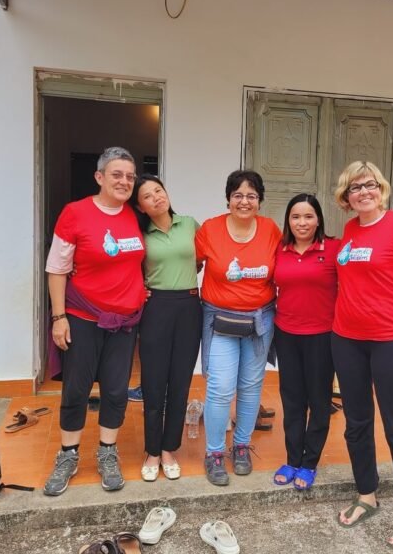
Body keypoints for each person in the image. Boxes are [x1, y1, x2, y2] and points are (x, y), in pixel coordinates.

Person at [331, 161, 393, 550]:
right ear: (346, 197)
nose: (363, 192)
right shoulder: (350, 230)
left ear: (382, 188)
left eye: (369, 185)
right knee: (356, 423)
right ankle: (367, 495)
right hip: (347, 340)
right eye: (354, 188)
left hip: (392, 341)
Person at [44, 147, 145, 496]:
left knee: (116, 390)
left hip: (124, 322)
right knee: (77, 388)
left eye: (130, 176)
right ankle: (68, 455)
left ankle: (107, 452)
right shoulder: (75, 213)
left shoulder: (135, 215)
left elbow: (137, 261)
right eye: (117, 174)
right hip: (83, 317)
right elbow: (57, 269)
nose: (124, 181)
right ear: (99, 177)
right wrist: (59, 317)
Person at [195, 170, 282, 486]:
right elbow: (191, 264)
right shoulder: (210, 229)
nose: (244, 201)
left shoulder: (271, 230)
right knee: (220, 387)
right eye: (238, 195)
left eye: (251, 196)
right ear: (228, 199)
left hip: (260, 319)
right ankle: (215, 452)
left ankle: (242, 446)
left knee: (250, 385)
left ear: (259, 200)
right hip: (220, 319)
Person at [132, 174, 202, 481]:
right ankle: (152, 451)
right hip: (156, 307)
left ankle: (169, 448)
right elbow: (128, 267)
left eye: (158, 191)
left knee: (180, 381)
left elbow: (202, 259)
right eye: (147, 196)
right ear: (140, 207)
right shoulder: (140, 234)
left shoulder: (189, 224)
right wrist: (140, 289)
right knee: (154, 381)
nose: (156, 198)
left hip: (189, 306)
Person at [272, 194, 340, 491]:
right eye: (296, 217)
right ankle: (292, 459)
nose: (302, 223)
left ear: (318, 219)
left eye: (308, 216)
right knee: (292, 399)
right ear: (288, 220)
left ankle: (310, 462)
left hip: (322, 337)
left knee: (319, 401)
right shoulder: (280, 249)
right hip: (286, 333)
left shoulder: (334, 248)